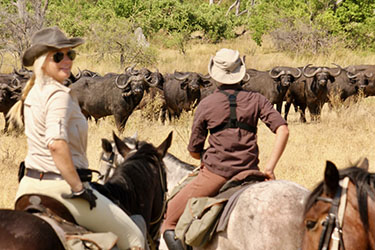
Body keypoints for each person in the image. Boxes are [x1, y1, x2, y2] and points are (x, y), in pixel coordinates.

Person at [7, 26, 145, 250]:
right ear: (42, 61)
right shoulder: (59, 95)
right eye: (58, 56)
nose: (67, 61)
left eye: (70, 54)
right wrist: (78, 188)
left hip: (28, 187)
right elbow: (55, 143)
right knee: (135, 238)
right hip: (60, 188)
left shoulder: (32, 92)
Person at [161, 48, 289, 250]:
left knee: (169, 219)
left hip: (215, 175)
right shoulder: (257, 99)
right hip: (251, 171)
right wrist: (270, 168)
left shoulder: (206, 104)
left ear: (215, 74)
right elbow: (283, 129)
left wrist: (205, 156)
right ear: (240, 72)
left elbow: (194, 151)